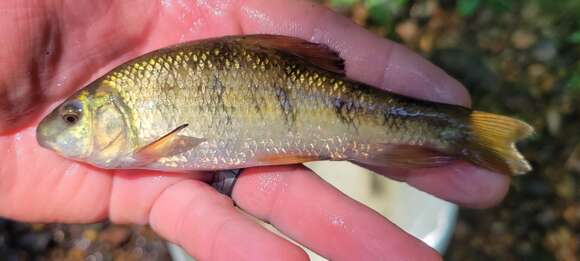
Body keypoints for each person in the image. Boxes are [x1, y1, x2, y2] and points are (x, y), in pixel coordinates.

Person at [0, 0, 511, 260]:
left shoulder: (143, 138)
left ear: (107, 112)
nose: (62, 130)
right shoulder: (131, 109)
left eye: (73, 117)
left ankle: (460, 132)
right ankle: (459, 133)